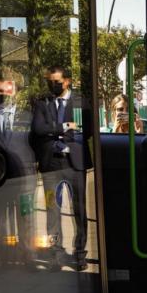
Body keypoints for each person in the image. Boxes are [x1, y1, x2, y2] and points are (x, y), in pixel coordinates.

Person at [31, 66, 91, 270]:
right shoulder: (42, 103)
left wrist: (58, 134)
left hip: (75, 164)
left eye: (56, 81)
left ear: (67, 81)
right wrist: (64, 128)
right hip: (51, 164)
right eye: (49, 81)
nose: (52, 85)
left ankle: (80, 253)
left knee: (79, 210)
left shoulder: (80, 103)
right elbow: (38, 129)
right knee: (52, 210)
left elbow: (88, 130)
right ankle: (55, 252)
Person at [0, 77, 37, 268]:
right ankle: (6, 258)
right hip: (1, 175)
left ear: (15, 91)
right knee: (2, 219)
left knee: (25, 216)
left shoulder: (28, 115)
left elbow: (36, 141)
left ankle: (27, 255)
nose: (3, 94)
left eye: (7, 90)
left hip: (24, 174)